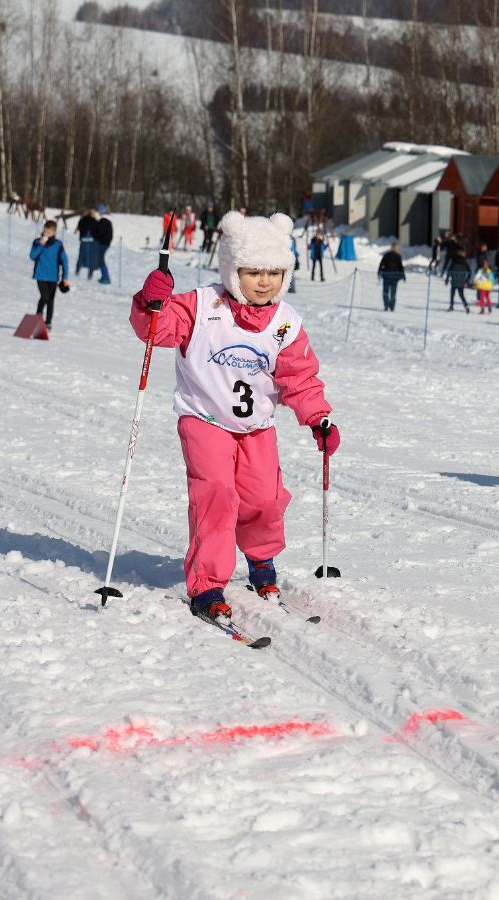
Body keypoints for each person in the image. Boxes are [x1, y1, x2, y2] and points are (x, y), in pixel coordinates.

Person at [128, 211, 340, 622]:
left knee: (264, 499)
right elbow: (157, 329)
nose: (265, 282)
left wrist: (318, 417)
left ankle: (261, 561)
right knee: (217, 496)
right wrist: (150, 302)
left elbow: (299, 376)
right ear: (231, 269)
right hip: (204, 419)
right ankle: (207, 583)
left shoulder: (285, 324)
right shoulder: (202, 306)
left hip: (256, 427)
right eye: (253, 271)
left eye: (275, 273)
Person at [30, 219, 70, 330]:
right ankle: (38, 315)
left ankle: (48, 323)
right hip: (40, 275)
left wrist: (65, 277)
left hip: (53, 277)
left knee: (51, 300)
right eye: (44, 232)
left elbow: (65, 261)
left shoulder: (58, 245)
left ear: (54, 233)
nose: (45, 235)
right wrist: (41, 246)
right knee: (44, 296)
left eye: (48, 233)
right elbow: (32, 256)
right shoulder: (37, 242)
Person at [377, 241, 406, 311]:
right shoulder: (398, 256)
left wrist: (379, 272)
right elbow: (400, 267)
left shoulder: (386, 255)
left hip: (386, 276)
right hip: (394, 277)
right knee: (393, 292)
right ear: (396, 248)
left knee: (385, 291)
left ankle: (386, 305)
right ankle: (392, 306)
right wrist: (403, 275)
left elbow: (381, 264)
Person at [446, 247, 472, 312]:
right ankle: (466, 306)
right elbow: (469, 272)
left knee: (452, 294)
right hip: (461, 280)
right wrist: (467, 280)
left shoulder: (453, 261)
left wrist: (447, 279)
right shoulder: (465, 262)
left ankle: (451, 306)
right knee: (461, 294)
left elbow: (449, 271)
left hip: (454, 279)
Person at [75, 208, 98, 278]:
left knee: (81, 256)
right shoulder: (95, 221)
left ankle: (77, 271)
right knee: (92, 258)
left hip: (83, 241)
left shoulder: (82, 220)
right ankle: (90, 274)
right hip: (92, 242)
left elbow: (79, 229)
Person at [94, 206, 113, 285]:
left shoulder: (103, 221)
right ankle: (104, 276)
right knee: (100, 259)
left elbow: (99, 232)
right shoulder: (106, 221)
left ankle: (106, 278)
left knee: (100, 260)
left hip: (103, 243)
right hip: (105, 242)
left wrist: (94, 235)